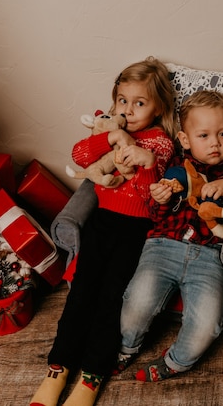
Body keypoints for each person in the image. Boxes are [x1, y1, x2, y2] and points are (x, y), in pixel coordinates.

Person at [30, 56, 176, 406]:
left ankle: (92, 376)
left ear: (157, 108)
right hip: (102, 222)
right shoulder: (108, 129)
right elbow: (79, 154)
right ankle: (58, 367)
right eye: (122, 101)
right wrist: (112, 135)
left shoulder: (160, 143)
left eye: (139, 103)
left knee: (112, 299)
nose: (128, 109)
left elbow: (150, 198)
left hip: (137, 229)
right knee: (81, 291)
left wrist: (145, 164)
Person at [116, 90, 223, 382]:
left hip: (209, 256)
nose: (215, 143)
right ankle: (125, 347)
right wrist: (160, 199)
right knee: (137, 301)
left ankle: (177, 361)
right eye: (204, 135)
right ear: (185, 139)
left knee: (209, 322)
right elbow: (152, 214)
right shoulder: (172, 165)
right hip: (163, 246)